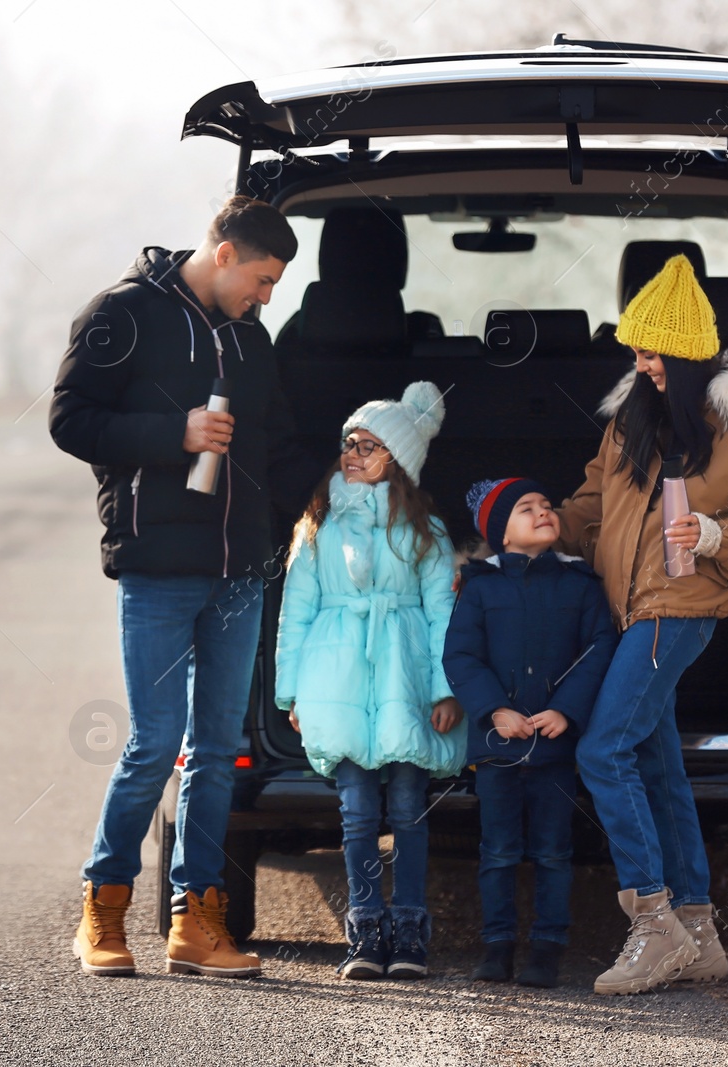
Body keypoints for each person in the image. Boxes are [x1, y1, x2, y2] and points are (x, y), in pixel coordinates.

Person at [50, 196, 315, 979]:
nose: (267, 297)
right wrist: (177, 434)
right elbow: (70, 420)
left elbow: (279, 443)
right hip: (158, 567)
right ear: (225, 251)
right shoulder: (122, 313)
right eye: (263, 280)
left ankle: (196, 920)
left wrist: (318, 508)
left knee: (217, 749)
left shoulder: (250, 338)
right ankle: (103, 904)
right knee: (154, 743)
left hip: (240, 571)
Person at [556, 254, 728, 994]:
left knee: (603, 751)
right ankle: (698, 931)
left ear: (692, 353)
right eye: (635, 350)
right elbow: (593, 506)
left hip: (681, 607)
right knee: (657, 764)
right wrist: (529, 527)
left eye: (654, 351)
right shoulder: (631, 417)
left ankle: (652, 921)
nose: (642, 364)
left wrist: (716, 536)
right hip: (631, 609)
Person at [275, 381, 464, 980]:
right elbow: (295, 613)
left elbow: (443, 614)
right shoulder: (318, 526)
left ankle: (408, 928)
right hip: (336, 678)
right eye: (349, 443)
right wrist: (292, 691)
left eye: (369, 446)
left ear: (398, 463)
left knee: (408, 807)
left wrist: (444, 686)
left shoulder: (426, 530)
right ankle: (364, 929)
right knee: (356, 812)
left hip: (404, 677)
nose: (352, 453)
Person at [442, 478, 617, 989]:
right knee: (497, 850)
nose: (543, 511)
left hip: (554, 747)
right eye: (526, 508)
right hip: (498, 748)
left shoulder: (582, 584)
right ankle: (496, 946)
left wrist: (566, 710)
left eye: (546, 504)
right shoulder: (479, 587)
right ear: (503, 534)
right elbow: (461, 656)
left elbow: (599, 650)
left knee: (553, 851)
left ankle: (547, 949)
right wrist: (495, 710)